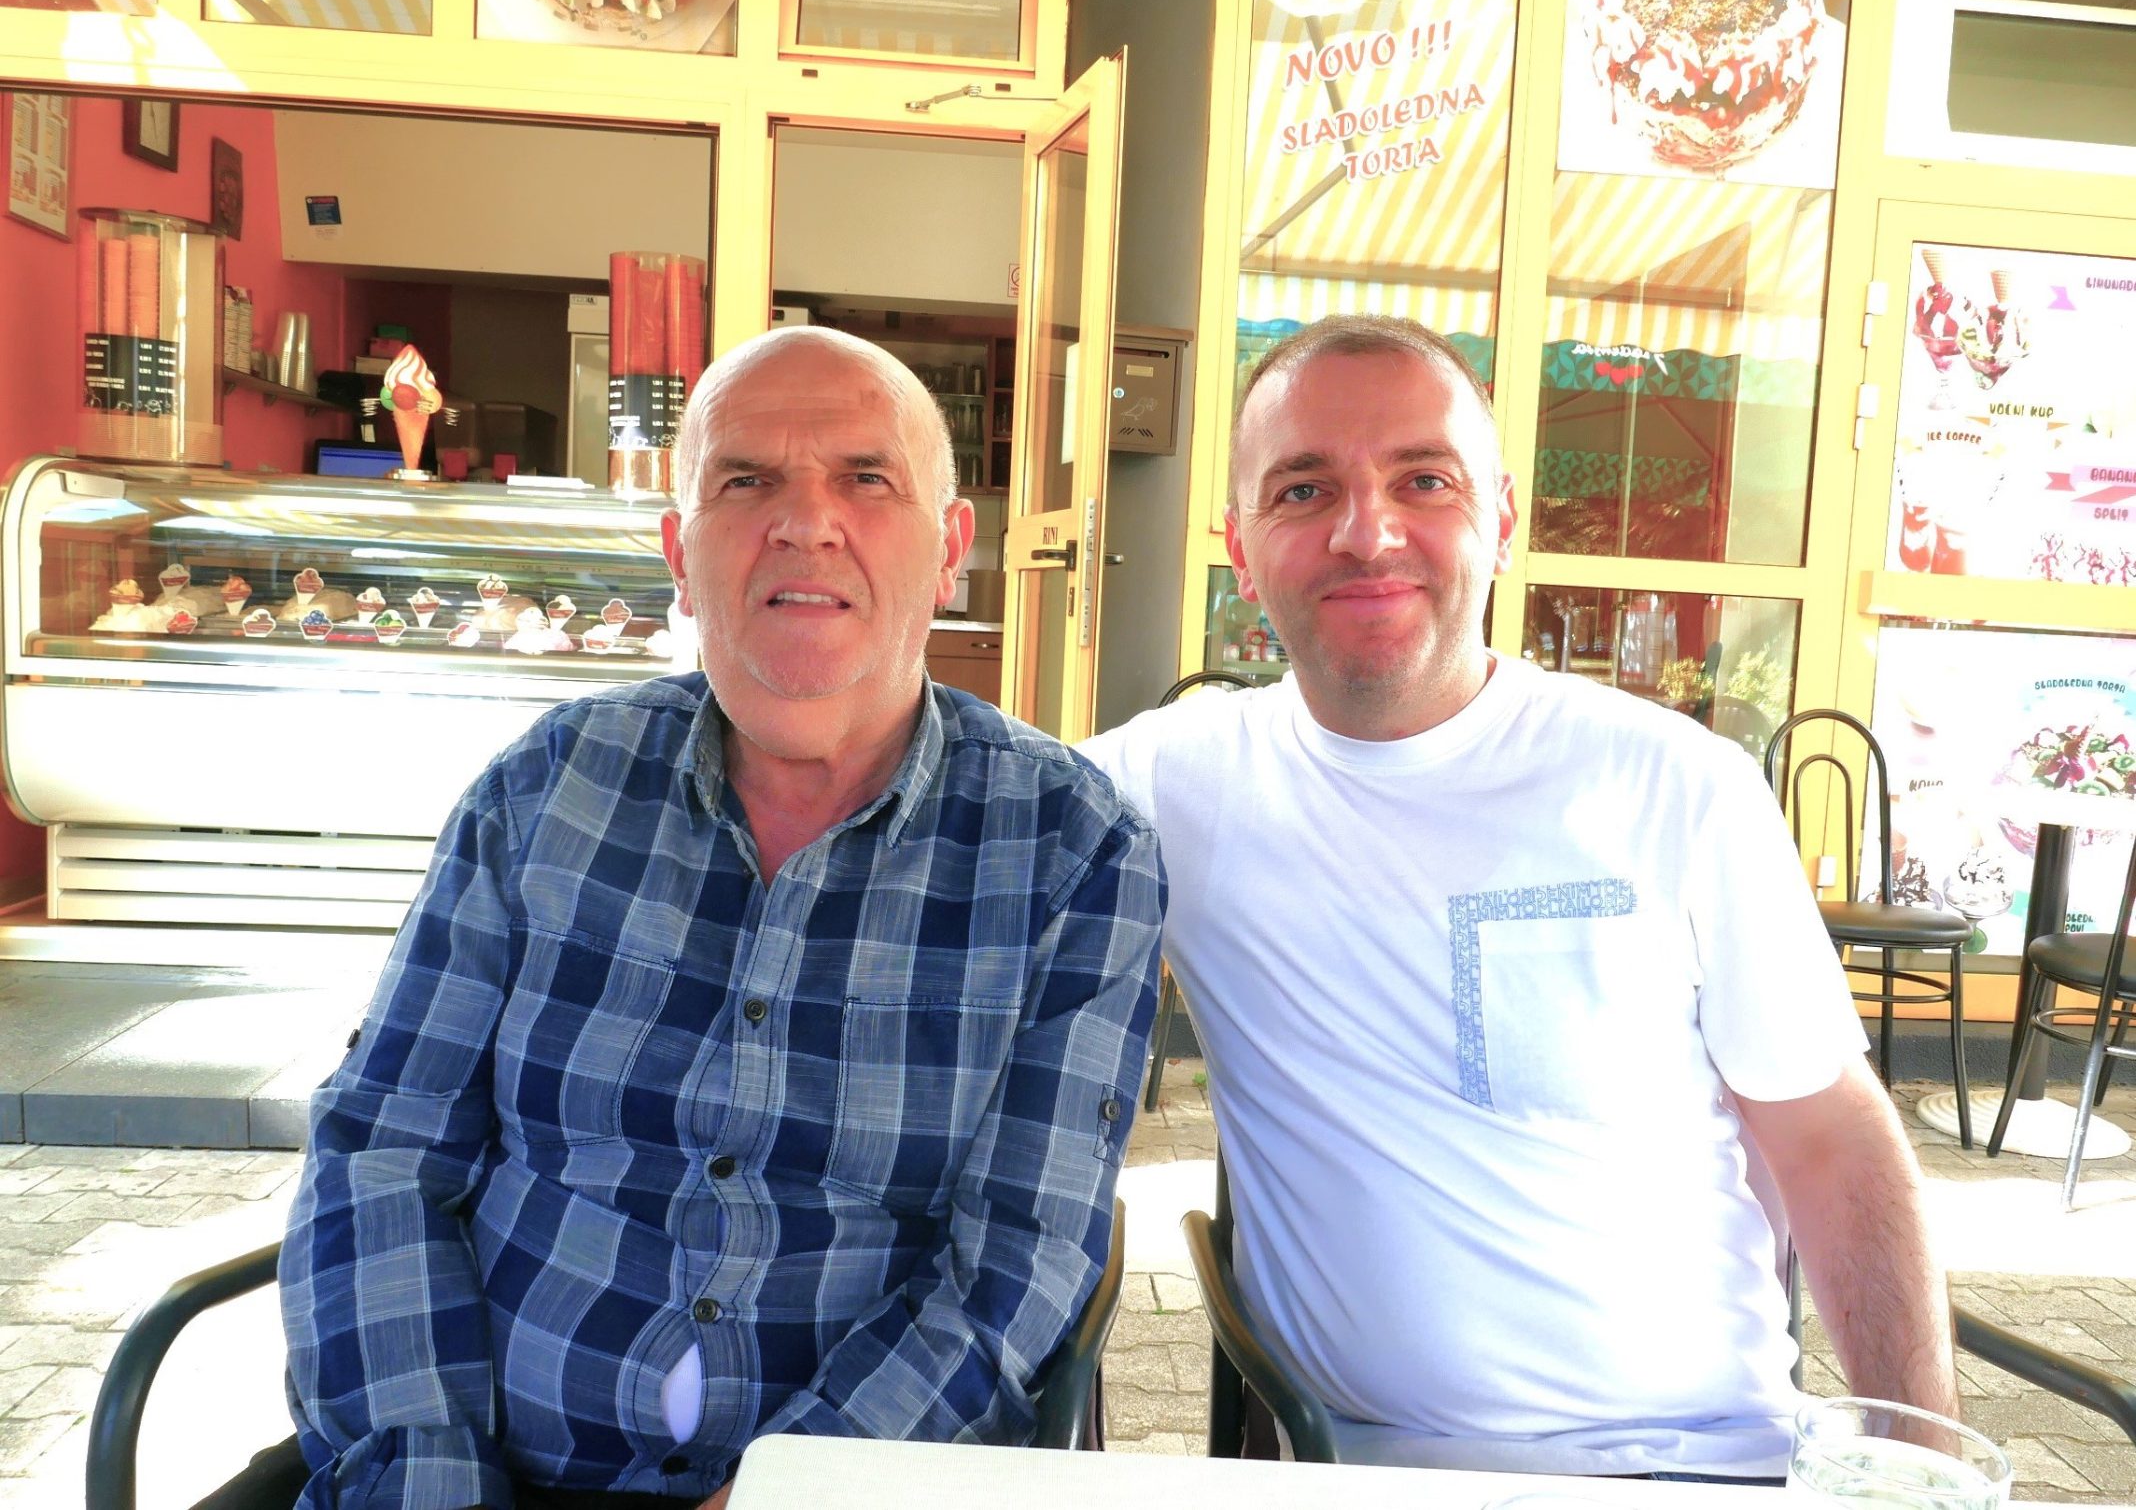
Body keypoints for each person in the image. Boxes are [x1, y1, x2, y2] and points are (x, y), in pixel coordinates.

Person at [281, 326, 1164, 1510]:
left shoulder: (1071, 848)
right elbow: (383, 1152)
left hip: (846, 1491)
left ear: (952, 551)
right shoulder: (548, 790)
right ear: (680, 556)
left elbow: (1015, 1263)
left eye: (867, 478)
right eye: (746, 481)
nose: (806, 521)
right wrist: (427, 1478)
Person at [1079, 314, 1956, 1479]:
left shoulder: (1676, 784)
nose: (1366, 532)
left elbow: (1834, 1142)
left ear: (1500, 519)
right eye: (1303, 490)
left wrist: (1923, 1461)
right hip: (1370, 1474)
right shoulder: (1171, 784)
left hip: (1704, 1467)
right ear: (1242, 547)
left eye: (1423, 480)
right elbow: (945, 799)